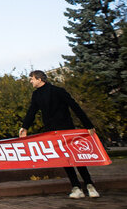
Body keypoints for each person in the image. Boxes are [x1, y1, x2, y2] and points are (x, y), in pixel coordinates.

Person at [19, 70, 100, 199]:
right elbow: (32, 111)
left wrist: (88, 125)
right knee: (64, 159)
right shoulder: (36, 95)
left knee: (75, 157)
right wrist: (25, 127)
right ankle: (76, 187)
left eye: (32, 79)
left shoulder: (58, 91)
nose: (30, 81)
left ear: (39, 79)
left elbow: (75, 107)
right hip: (52, 132)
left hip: (66, 129)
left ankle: (90, 185)